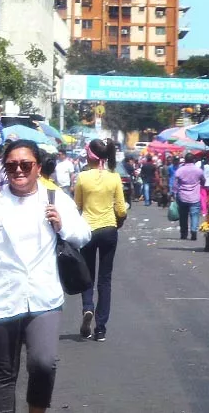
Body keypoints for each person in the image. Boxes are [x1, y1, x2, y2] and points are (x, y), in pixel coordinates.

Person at [0, 140, 90, 413]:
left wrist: (62, 224)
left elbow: (83, 235)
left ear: (38, 168)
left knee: (44, 363)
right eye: (11, 166)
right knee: (3, 372)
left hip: (44, 297)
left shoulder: (54, 199)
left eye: (25, 165)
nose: (18, 170)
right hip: (2, 296)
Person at [74, 139, 127, 342]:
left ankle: (88, 307)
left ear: (90, 155)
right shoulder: (114, 178)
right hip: (108, 230)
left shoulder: (82, 177)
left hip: (87, 230)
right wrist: (118, 222)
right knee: (105, 280)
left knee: (87, 274)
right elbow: (121, 209)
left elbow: (77, 206)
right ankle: (101, 328)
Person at [172, 153, 206, 241]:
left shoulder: (180, 170)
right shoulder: (198, 170)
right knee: (194, 215)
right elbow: (203, 180)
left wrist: (174, 193)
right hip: (195, 197)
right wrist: (200, 185)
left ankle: (184, 233)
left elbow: (175, 184)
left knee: (183, 216)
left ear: (185, 160)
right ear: (193, 160)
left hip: (182, 196)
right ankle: (194, 231)